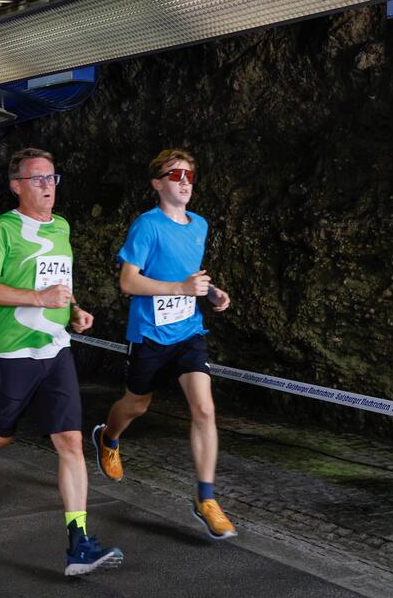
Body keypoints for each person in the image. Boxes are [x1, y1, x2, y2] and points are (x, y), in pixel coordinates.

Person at [0, 147, 123, 576]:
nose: (48, 186)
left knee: (70, 442)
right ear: (16, 186)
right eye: (38, 179)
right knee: (1, 434)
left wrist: (73, 311)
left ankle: (78, 542)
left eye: (52, 178)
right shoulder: (2, 229)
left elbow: (57, 285)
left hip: (55, 348)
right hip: (12, 353)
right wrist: (37, 298)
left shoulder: (62, 227)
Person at [92, 148, 237, 540]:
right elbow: (128, 282)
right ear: (158, 183)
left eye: (189, 175)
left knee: (204, 409)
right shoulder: (147, 226)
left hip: (189, 331)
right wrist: (180, 288)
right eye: (175, 175)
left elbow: (190, 276)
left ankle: (206, 499)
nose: (185, 181)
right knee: (137, 404)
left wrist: (210, 293)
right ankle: (108, 436)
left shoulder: (200, 225)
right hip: (151, 334)